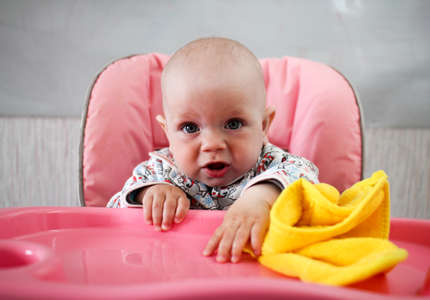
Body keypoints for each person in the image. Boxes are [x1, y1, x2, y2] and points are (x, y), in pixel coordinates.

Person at [107, 37, 319, 263]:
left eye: (233, 124)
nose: (212, 144)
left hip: (253, 271)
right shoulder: (159, 171)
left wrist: (262, 198)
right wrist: (149, 194)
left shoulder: (271, 163)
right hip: (179, 271)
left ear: (263, 125)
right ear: (167, 132)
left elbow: (308, 181)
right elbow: (113, 216)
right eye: (190, 127)